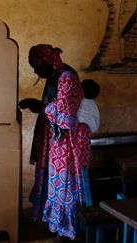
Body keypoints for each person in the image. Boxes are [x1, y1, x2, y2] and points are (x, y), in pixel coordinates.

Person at [18, 44, 91, 241]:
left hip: (66, 142)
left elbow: (66, 114)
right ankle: (55, 224)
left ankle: (66, 228)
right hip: (54, 139)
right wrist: (39, 106)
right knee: (52, 181)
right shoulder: (53, 75)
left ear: (46, 62)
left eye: (36, 66)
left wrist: (40, 107)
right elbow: (54, 104)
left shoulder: (66, 76)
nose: (35, 71)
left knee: (63, 182)